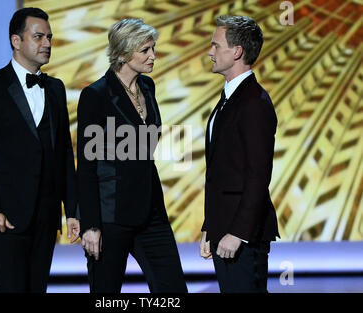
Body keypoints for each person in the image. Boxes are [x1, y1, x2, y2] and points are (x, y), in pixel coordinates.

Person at [0, 7, 79, 292]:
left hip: (46, 215)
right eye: (39, 37)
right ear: (16, 41)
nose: (48, 44)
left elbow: (64, 152)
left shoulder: (55, 88)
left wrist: (73, 211)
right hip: (7, 215)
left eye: (50, 38)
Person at [77, 18, 187, 293]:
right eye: (145, 50)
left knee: (173, 291)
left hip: (152, 211)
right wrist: (90, 224)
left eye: (153, 49)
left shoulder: (147, 87)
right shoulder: (96, 95)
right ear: (124, 53)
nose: (153, 56)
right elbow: (87, 165)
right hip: (111, 215)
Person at [199, 15, 280, 293]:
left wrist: (239, 234)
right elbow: (222, 172)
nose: (210, 52)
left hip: (242, 237)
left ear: (237, 52)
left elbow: (258, 176)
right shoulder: (230, 99)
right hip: (224, 230)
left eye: (216, 45)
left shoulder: (254, 103)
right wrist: (211, 226)